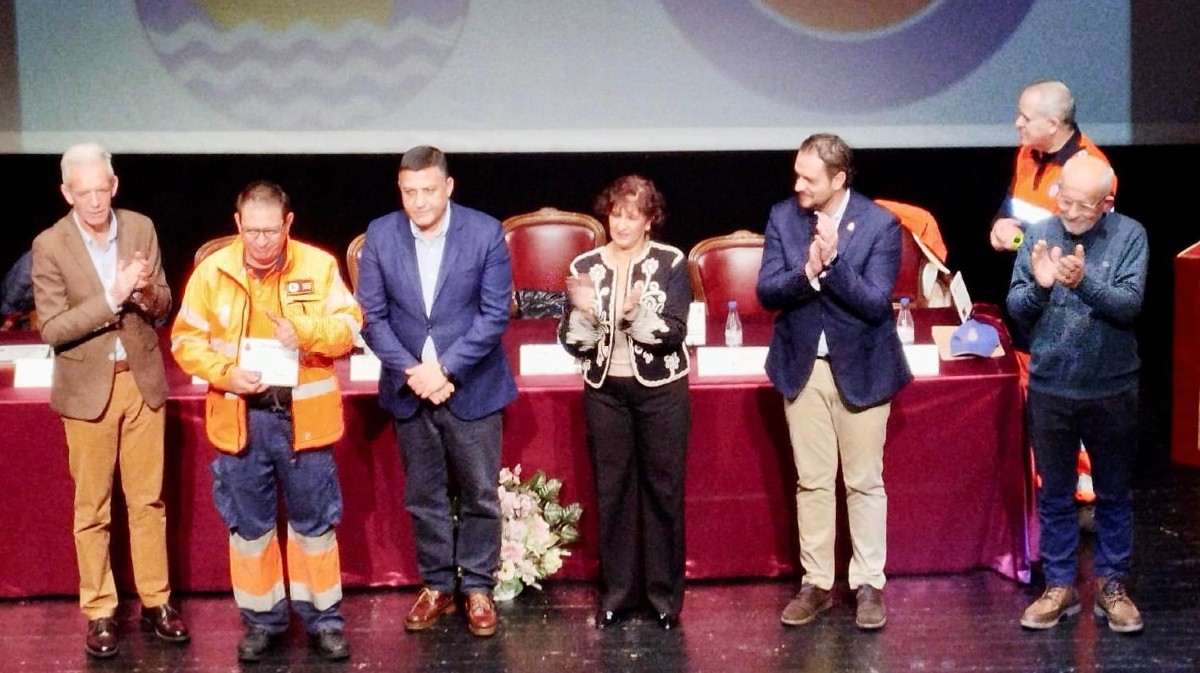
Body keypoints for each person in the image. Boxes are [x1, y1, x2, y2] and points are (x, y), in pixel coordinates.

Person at [170, 181, 362, 661]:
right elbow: (184, 341)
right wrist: (226, 373)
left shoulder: (318, 266)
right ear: (237, 224)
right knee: (251, 531)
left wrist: (305, 333)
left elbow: (349, 328)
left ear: (288, 224)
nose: (260, 240)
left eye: (270, 231)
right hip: (241, 420)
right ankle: (263, 620)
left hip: (304, 419)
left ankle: (324, 621)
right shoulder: (211, 273)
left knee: (314, 528)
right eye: (251, 230)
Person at [30, 142, 189, 658]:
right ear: (66, 193)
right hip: (87, 389)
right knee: (93, 507)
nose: (96, 201)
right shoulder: (50, 245)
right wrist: (112, 298)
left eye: (103, 189)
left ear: (114, 185)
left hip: (141, 379)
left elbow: (164, 303)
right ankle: (100, 610)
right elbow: (52, 328)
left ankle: (157, 600)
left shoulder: (140, 227)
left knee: (147, 500)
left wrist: (144, 292)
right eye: (84, 193)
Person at [356, 146, 517, 638]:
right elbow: (373, 317)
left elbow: (494, 316)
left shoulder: (485, 232)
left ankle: (478, 587)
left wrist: (444, 369)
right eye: (409, 192)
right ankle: (438, 585)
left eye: (428, 190)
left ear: (448, 187)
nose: (419, 202)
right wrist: (413, 372)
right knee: (423, 496)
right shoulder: (381, 235)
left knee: (479, 494)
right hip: (410, 388)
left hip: (470, 385)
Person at [756, 133, 912, 631]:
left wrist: (837, 263)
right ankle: (817, 583)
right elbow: (767, 291)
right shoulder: (784, 217)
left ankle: (868, 584)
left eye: (809, 177)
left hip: (862, 368)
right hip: (803, 368)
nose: (798, 184)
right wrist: (808, 270)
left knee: (865, 481)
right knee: (813, 481)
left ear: (839, 179)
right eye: (796, 174)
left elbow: (873, 302)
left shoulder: (879, 224)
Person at [1008, 154, 1147, 633]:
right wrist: (1043, 287)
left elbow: (1129, 305)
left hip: (1111, 387)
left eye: (1080, 205)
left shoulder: (1130, 236)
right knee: (1056, 495)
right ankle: (1060, 585)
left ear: (1106, 203)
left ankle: (1112, 586)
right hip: (1051, 386)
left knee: (1112, 492)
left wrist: (1083, 282)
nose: (1067, 211)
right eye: (1062, 198)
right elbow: (1018, 307)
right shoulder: (1042, 231)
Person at [559, 175, 692, 630]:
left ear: (649, 219)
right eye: (616, 214)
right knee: (612, 492)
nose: (621, 223)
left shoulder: (670, 261)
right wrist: (584, 315)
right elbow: (573, 344)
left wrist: (638, 316)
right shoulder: (585, 264)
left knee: (663, 491)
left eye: (632, 216)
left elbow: (674, 332)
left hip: (661, 391)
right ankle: (616, 594)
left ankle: (663, 598)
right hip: (604, 392)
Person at [990, 79, 1114, 525]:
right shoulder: (1027, 153)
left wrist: (1018, 240)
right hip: (1030, 302)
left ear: (1053, 123)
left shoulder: (1090, 171)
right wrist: (1002, 227)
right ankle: (1047, 488)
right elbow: (1014, 209)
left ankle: (1085, 501)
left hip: (1069, 315)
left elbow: (1084, 248)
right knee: (1036, 402)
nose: (1017, 123)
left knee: (1071, 409)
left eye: (1026, 117)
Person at [1, 249, 34, 330]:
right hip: (12, 304)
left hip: (26, 306)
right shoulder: (30, 261)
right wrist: (8, 313)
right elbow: (17, 288)